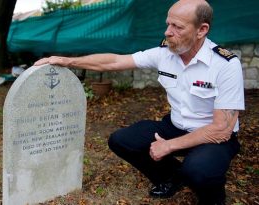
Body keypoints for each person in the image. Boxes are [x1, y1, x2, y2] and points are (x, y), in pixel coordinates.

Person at [34, 0, 244, 204]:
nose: (167, 32)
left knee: (199, 170)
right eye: (168, 24)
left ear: (201, 30)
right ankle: (171, 177)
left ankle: (213, 199)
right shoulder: (165, 53)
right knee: (122, 140)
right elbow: (116, 61)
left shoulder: (225, 65)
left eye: (177, 27)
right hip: (176, 126)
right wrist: (67, 61)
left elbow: (220, 130)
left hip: (213, 137)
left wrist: (169, 146)